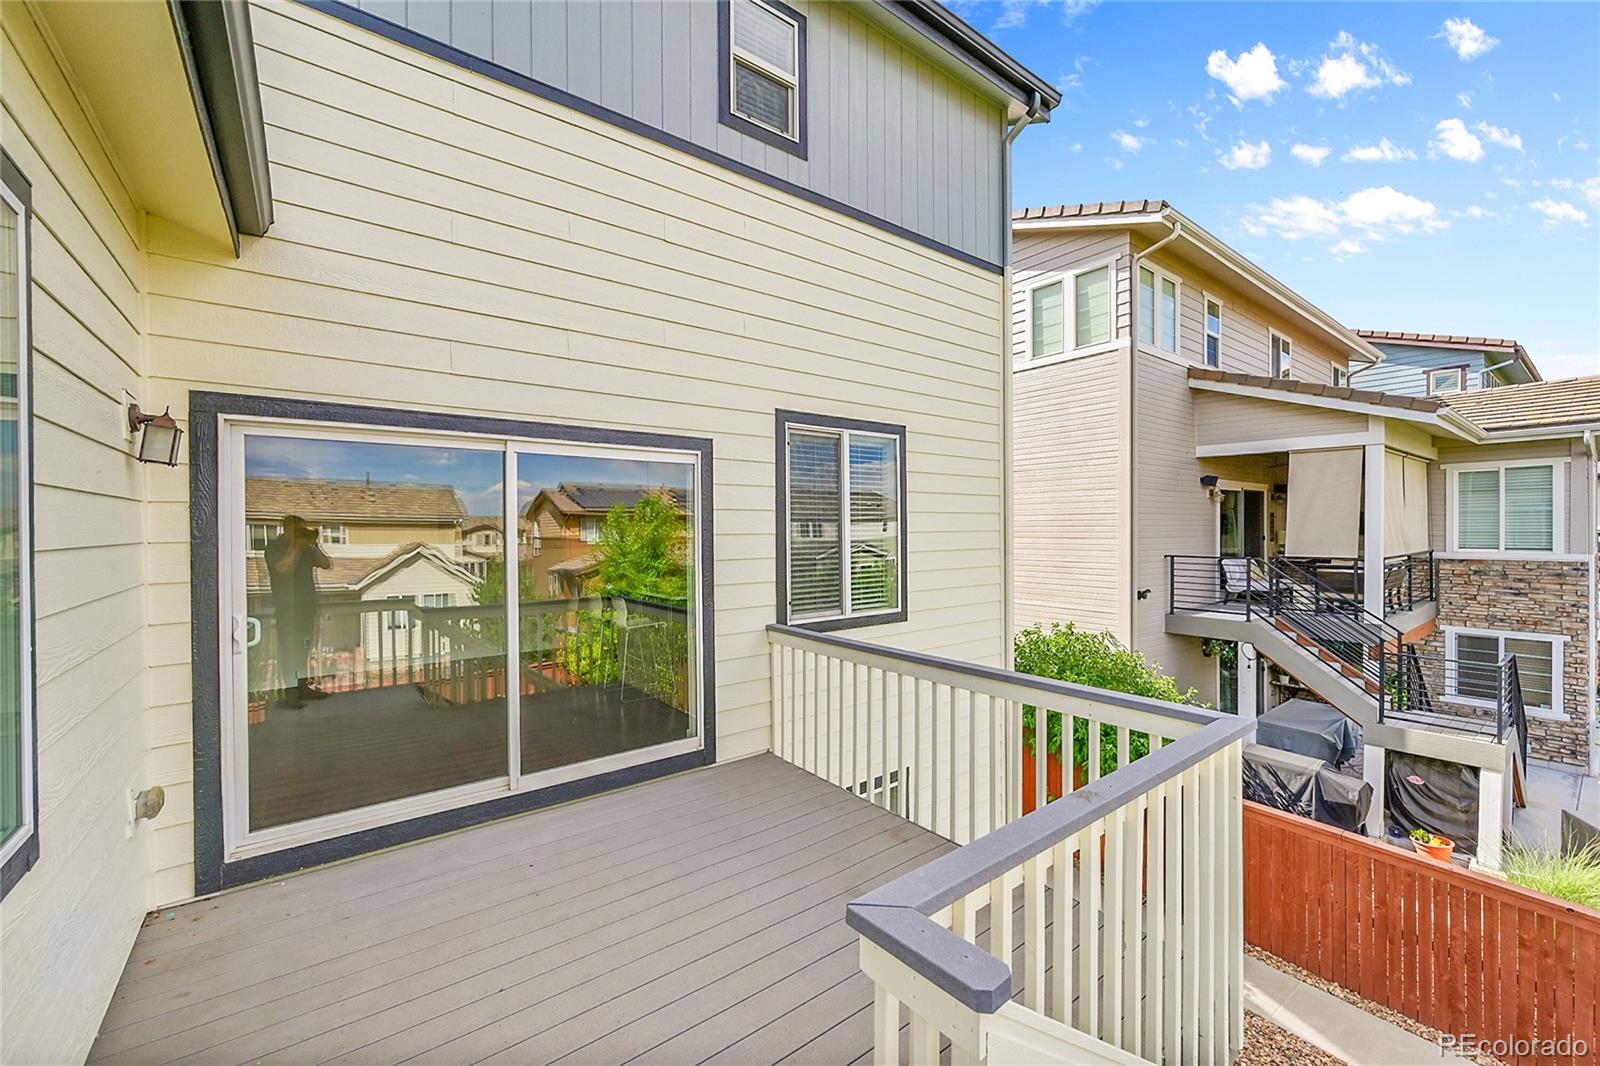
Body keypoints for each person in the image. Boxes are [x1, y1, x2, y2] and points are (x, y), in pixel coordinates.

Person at [265, 514, 332, 708]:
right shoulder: (274, 548)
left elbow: (326, 564)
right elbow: (284, 569)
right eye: (298, 530)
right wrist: (296, 547)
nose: (300, 534)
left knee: (304, 647)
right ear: (286, 529)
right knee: (288, 649)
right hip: (287, 607)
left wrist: (313, 544)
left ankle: (303, 687)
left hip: (306, 606)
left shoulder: (306, 549)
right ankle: (291, 691)